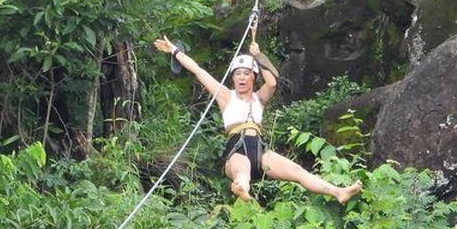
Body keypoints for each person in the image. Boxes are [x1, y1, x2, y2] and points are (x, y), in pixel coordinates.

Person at [154, 36, 363, 204]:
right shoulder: (226, 95)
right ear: (233, 78)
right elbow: (198, 71)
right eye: (238, 74)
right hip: (236, 147)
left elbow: (272, 82)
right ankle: (242, 189)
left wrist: (258, 55)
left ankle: (338, 192)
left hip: (260, 149)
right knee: (242, 171)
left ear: (253, 78)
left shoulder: (259, 98)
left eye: (246, 74)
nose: (242, 78)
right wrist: (175, 51)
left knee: (297, 171)